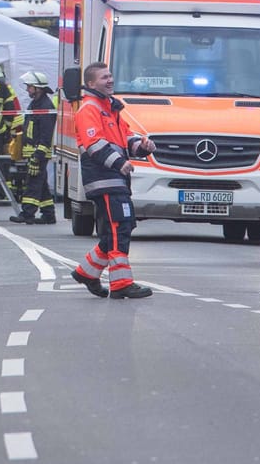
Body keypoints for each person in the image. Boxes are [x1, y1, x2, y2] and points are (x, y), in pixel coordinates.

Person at [69, 60, 154, 299]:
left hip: (115, 178)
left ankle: (86, 273)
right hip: (104, 179)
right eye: (104, 77)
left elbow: (126, 139)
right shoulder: (89, 109)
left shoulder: (110, 109)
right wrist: (120, 163)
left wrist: (144, 146)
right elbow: (94, 144)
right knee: (119, 229)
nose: (110, 80)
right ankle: (121, 284)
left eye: (110, 76)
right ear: (91, 83)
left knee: (116, 230)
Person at [10, 70, 59, 225]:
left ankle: (27, 213)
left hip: (38, 154)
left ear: (38, 88)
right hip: (33, 152)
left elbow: (46, 135)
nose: (27, 90)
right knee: (41, 184)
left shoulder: (45, 106)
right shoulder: (36, 104)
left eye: (29, 87)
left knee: (32, 183)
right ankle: (48, 214)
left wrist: (38, 156)